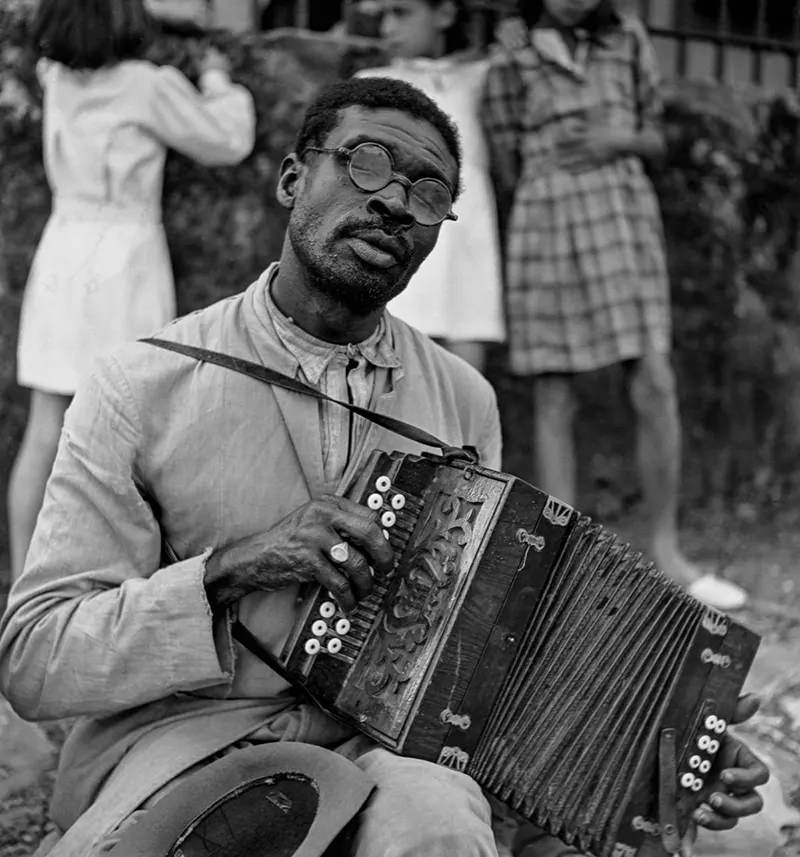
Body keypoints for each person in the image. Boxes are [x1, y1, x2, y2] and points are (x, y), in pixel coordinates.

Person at [0, 78, 767, 857]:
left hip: (384, 746)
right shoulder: (141, 386)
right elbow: (34, 658)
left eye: (429, 190)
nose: (396, 201)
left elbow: (489, 665)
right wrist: (227, 571)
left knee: (438, 821)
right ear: (294, 178)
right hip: (183, 745)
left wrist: (662, 751)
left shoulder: (463, 398)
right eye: (366, 163)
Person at [481, 0, 747, 611]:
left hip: (623, 212)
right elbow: (504, 160)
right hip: (545, 218)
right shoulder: (510, 54)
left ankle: (668, 552)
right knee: (554, 392)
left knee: (654, 378)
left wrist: (617, 138)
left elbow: (657, 133)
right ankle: (563, 566)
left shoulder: (625, 38)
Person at [7, 0, 256, 582]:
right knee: (131, 420)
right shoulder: (147, 86)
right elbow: (227, 140)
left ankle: (21, 584)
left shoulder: (57, 78)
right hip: (125, 259)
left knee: (45, 424)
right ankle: (113, 575)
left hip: (63, 249)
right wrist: (218, 78)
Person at [354, 0, 506, 374]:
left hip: (464, 231)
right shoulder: (372, 83)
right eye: (384, 15)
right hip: (400, 226)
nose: (388, 27)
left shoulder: (485, 77)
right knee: (391, 350)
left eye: (402, 13)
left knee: (464, 361)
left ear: (445, 14)